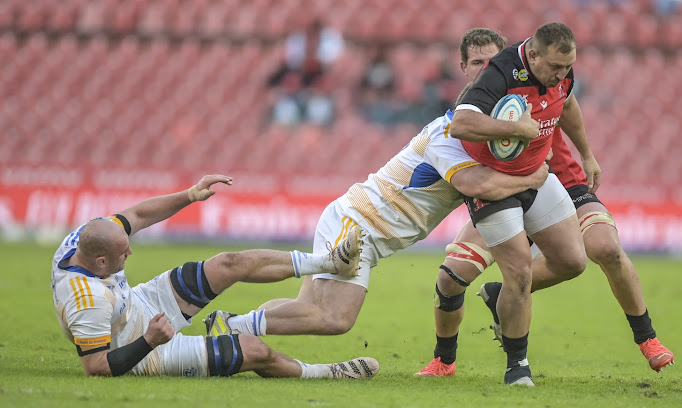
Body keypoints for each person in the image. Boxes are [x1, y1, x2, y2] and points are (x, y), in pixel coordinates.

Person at [415, 26, 674, 379]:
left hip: (556, 181)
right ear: (463, 67)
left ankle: (648, 340)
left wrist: (587, 154)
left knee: (601, 250)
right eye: (478, 62)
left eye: (492, 59)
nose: (486, 67)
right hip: (504, 188)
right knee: (452, 277)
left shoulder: (548, 75)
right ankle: (446, 360)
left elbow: (566, 102)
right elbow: (465, 153)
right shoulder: (477, 105)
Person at [204, 107, 550, 350]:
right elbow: (478, 186)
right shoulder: (448, 137)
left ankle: (232, 327)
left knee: (307, 306)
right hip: (358, 225)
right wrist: (533, 176)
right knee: (335, 318)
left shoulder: (471, 138)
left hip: (353, 216)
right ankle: (232, 327)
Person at [51, 174, 379, 379]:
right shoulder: (86, 300)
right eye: (124, 254)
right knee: (254, 352)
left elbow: (137, 214)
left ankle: (330, 262)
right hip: (138, 346)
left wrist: (189, 195)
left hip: (141, 302)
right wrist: (149, 340)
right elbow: (97, 367)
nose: (131, 253)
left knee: (228, 263)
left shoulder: (91, 235)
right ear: (100, 261)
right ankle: (326, 373)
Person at [433, 22, 594, 386]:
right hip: (493, 185)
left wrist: (587, 154)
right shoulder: (501, 73)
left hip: (536, 177)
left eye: (566, 68)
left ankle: (498, 296)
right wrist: (515, 130)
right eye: (555, 67)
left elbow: (567, 103)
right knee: (519, 273)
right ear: (533, 54)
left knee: (573, 260)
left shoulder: (560, 70)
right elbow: (461, 124)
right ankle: (517, 366)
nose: (561, 74)